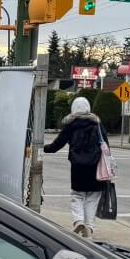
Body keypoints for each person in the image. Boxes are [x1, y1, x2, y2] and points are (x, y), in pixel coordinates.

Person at [42, 96, 108, 238]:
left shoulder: (71, 125)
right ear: (88, 108)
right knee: (92, 197)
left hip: (78, 167)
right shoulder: (97, 124)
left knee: (77, 195)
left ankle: (78, 220)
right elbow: (106, 146)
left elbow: (55, 146)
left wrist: (41, 148)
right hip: (96, 168)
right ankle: (89, 228)